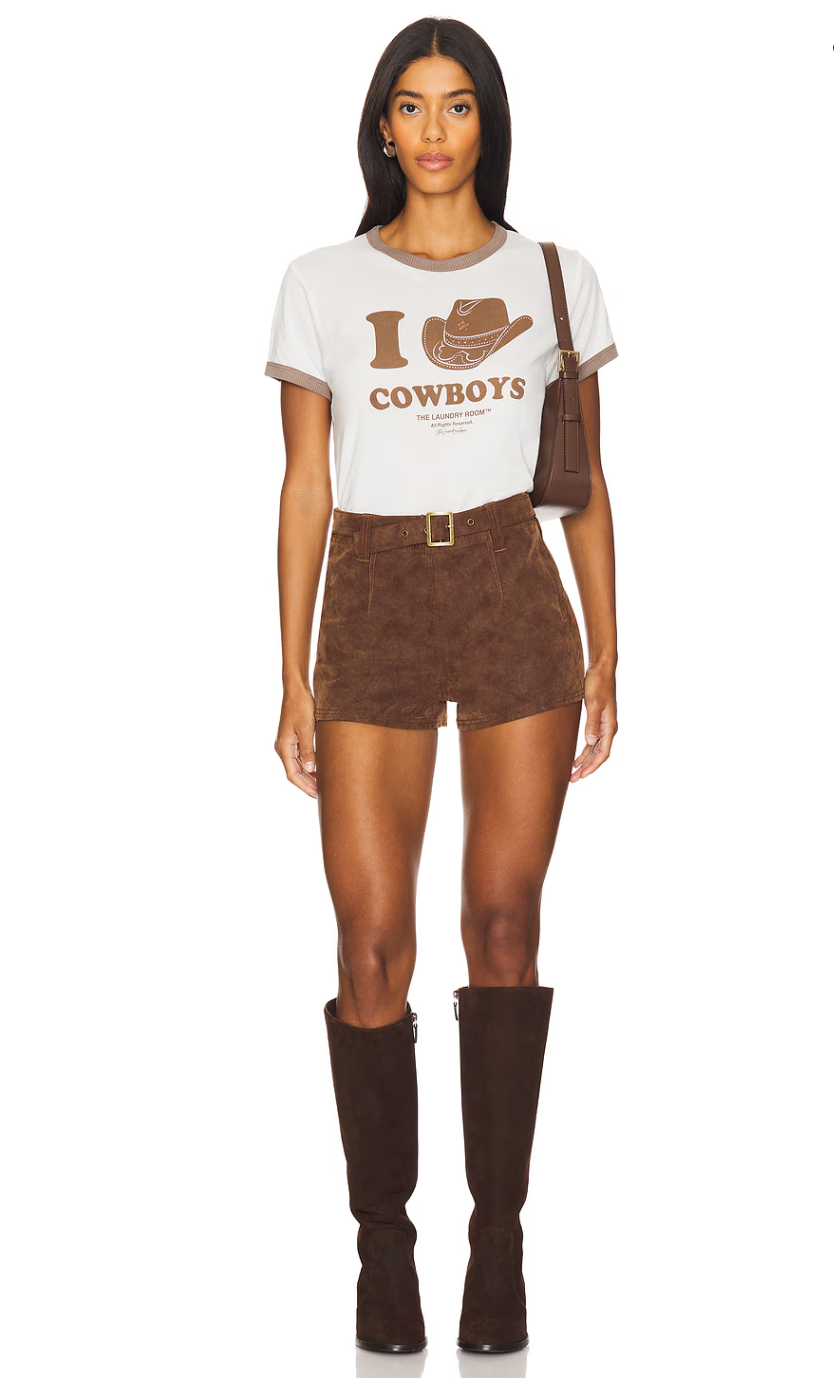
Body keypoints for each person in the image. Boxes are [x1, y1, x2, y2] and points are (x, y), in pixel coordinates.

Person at [264, 17, 619, 1357]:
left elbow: (581, 481)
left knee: (503, 921)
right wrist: (291, 671)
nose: (432, 130)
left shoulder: (554, 276)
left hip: (509, 584)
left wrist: (608, 643)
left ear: (487, 124)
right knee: (369, 940)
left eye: (457, 105)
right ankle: (382, 1249)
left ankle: (499, 1245)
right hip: (372, 596)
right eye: (409, 106)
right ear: (380, 127)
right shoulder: (319, 283)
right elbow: (306, 483)